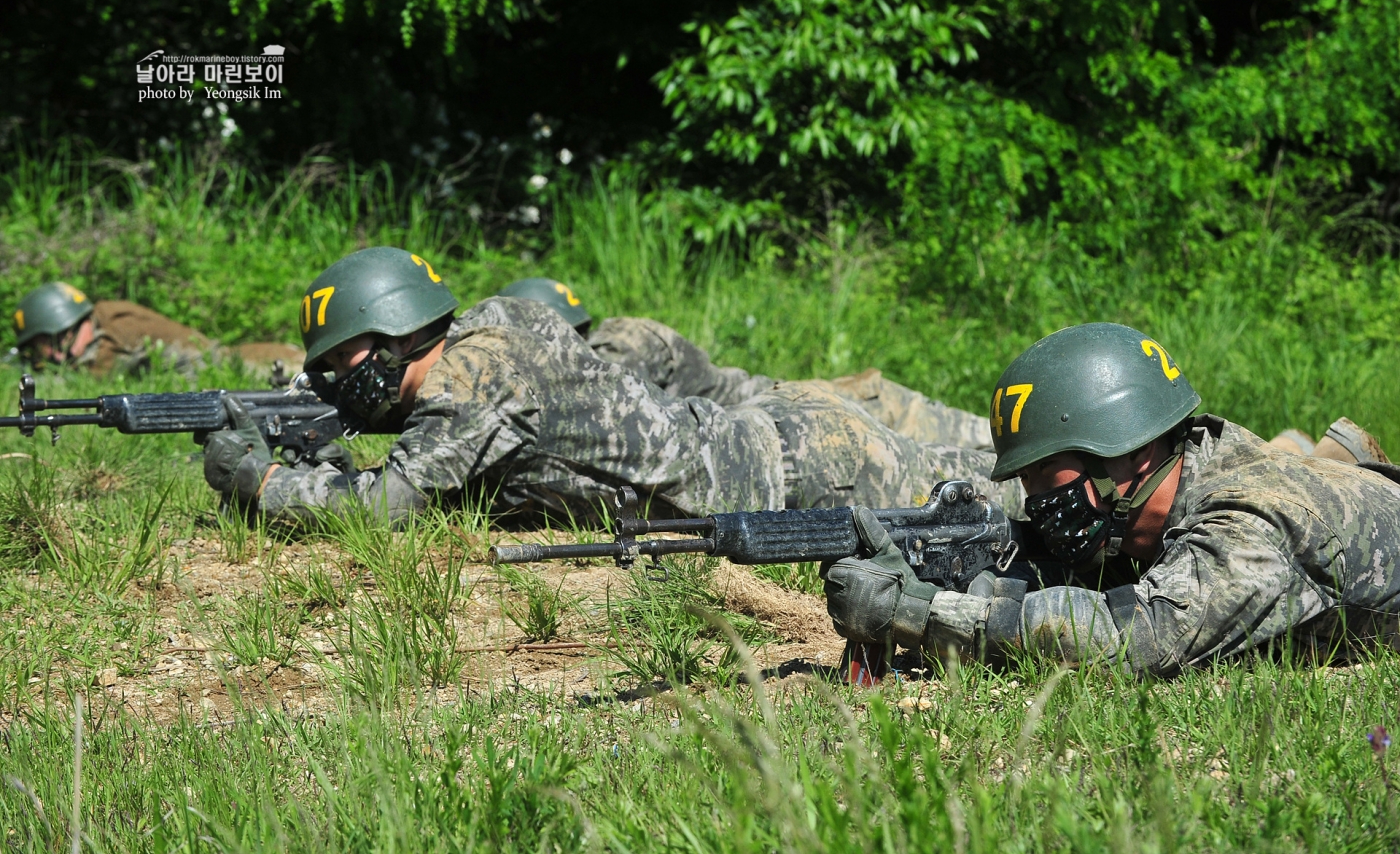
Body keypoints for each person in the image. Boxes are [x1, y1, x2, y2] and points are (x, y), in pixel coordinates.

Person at [201, 249, 1020, 527]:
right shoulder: (492, 326)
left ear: (390, 339)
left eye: (343, 370)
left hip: (809, 468)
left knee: (1017, 496)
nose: (340, 390)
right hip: (787, 435)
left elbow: (385, 507)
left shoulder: (474, 379)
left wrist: (265, 482)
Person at [822, 322, 1400, 677]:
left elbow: (1131, 637)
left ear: (1127, 450)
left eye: (1050, 471)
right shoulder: (1189, 473)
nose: (1038, 498)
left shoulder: (1252, 524)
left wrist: (919, 613)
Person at [497, 276, 993, 451]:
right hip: (811, 412)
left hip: (844, 406)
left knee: (1006, 442)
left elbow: (615, 414)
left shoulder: (621, 343)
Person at [10, 282, 305, 378]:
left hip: (234, 364)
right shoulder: (105, 316)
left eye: (42, 345)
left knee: (298, 375)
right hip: (223, 360)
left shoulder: (115, 333)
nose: (46, 355)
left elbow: (95, 376)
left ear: (63, 331)